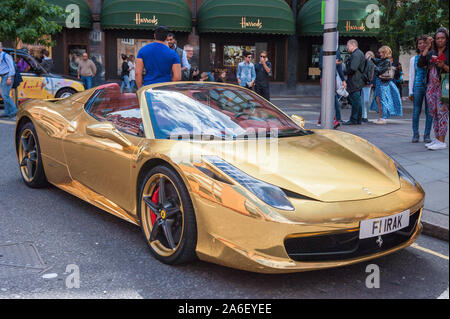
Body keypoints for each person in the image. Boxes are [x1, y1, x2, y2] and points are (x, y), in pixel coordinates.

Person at [418, 27, 449, 150]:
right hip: (431, 87)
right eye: (437, 38)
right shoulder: (432, 52)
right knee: (433, 113)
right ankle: (436, 139)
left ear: (446, 39)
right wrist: (427, 47)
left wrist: (444, 66)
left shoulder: (448, 52)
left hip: (443, 86)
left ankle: (442, 141)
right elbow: (420, 63)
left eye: (442, 38)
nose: (440, 40)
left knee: (442, 113)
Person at [409, 35, 433, 143]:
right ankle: (415, 134)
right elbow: (411, 76)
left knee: (429, 112)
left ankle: (427, 135)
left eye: (424, 43)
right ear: (417, 46)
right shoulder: (413, 59)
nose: (422, 45)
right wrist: (410, 91)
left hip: (430, 86)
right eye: (420, 43)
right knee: (416, 111)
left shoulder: (432, 56)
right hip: (418, 86)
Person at [370, 46, 403, 124]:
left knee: (382, 99)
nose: (380, 54)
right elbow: (377, 61)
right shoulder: (383, 60)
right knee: (378, 99)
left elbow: (381, 71)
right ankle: (381, 116)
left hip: (383, 82)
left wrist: (374, 67)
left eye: (381, 52)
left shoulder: (387, 61)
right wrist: (371, 58)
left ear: (385, 53)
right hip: (380, 82)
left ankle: (383, 117)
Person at [318, 47, 347, 127]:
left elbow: (340, 67)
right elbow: (320, 66)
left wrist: (343, 80)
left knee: (331, 99)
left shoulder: (337, 51)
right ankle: (332, 119)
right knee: (329, 99)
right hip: (325, 77)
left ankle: (326, 120)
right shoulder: (323, 50)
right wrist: (333, 63)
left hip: (333, 78)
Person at [343, 39, 366, 125]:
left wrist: (344, 71)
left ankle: (354, 119)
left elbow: (353, 68)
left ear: (353, 45)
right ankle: (357, 119)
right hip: (357, 80)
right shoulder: (358, 53)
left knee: (355, 100)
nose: (347, 48)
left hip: (355, 80)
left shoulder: (356, 54)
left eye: (348, 46)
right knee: (356, 100)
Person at [0, 42, 17, 118]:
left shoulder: (6, 56)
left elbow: (12, 68)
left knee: (5, 95)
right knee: (4, 95)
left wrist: (9, 77)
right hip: (3, 76)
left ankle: (14, 110)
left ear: (1, 48)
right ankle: (7, 112)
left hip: (7, 76)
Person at [361, 51, 376, 123]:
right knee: (364, 100)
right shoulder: (365, 63)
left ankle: (365, 115)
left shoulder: (371, 64)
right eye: (366, 54)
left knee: (366, 100)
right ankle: (364, 116)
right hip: (364, 83)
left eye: (368, 54)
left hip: (368, 83)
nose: (366, 55)